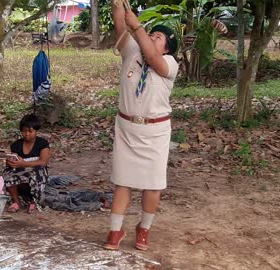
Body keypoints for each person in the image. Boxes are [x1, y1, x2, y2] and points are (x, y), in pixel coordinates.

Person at [104, 1, 179, 251]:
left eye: (158, 37)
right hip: (127, 128)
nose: (152, 37)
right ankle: (115, 230)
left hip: (156, 132)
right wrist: (118, 6)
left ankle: (143, 228)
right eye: (152, 33)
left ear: (167, 48)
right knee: (122, 181)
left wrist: (137, 27)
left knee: (153, 184)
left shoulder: (169, 64)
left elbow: (153, 58)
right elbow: (119, 25)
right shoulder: (131, 52)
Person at [2, 114, 50, 214]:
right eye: (24, 131)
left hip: (37, 173)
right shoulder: (16, 145)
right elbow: (13, 160)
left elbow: (43, 162)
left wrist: (24, 163)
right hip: (21, 175)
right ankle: (16, 201)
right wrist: (11, 162)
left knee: (38, 171)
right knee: (7, 172)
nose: (27, 134)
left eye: (30, 131)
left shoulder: (42, 143)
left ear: (36, 131)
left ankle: (34, 202)